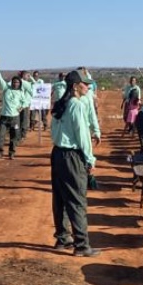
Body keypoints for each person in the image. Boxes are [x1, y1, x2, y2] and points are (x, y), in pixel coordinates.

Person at [49, 70, 100, 258]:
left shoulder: (60, 105)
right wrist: (90, 159)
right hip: (71, 156)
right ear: (75, 86)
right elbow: (82, 136)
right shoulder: (76, 105)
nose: (88, 86)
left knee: (60, 198)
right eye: (85, 84)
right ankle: (81, 245)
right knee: (77, 200)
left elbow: (53, 132)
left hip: (57, 154)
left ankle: (63, 239)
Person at [0, 57, 26, 159]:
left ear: (19, 84)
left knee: (14, 136)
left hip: (15, 118)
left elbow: (24, 102)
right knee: (1, 136)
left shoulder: (21, 92)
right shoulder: (6, 89)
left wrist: (21, 107)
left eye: (17, 82)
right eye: (14, 82)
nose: (15, 84)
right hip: (4, 117)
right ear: (11, 82)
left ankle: (12, 153)